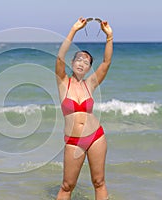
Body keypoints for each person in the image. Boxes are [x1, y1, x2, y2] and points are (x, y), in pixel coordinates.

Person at [55, 17, 113, 200]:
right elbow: (59, 57)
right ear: (72, 63)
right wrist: (74, 29)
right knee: (67, 185)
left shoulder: (90, 84)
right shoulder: (63, 81)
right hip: (74, 140)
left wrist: (109, 36)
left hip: (96, 136)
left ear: (88, 68)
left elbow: (106, 63)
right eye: (78, 59)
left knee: (99, 182)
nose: (81, 63)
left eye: (86, 62)